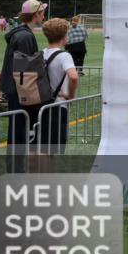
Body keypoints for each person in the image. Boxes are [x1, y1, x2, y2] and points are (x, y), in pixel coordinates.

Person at [0, 0, 47, 157]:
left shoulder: (22, 33)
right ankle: (16, 171)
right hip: (19, 92)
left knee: (18, 131)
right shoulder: (24, 36)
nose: (44, 15)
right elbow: (26, 71)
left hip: (15, 90)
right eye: (42, 12)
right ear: (36, 14)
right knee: (19, 133)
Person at [39, 18, 79, 153]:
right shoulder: (64, 56)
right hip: (58, 104)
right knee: (56, 147)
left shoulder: (41, 53)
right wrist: (70, 95)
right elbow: (73, 76)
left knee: (43, 146)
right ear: (63, 37)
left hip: (41, 104)